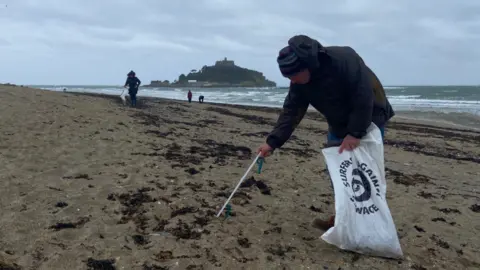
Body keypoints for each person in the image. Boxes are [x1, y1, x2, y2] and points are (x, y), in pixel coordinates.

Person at [257, 35, 394, 231]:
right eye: (288, 78)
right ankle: (343, 218)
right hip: (338, 123)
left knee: (367, 172)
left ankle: (371, 223)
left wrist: (355, 133)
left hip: (370, 117)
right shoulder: (299, 83)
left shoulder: (344, 59)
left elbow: (363, 95)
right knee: (340, 172)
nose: (292, 80)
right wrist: (272, 142)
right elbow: (291, 111)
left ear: (307, 66)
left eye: (294, 75)